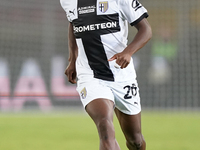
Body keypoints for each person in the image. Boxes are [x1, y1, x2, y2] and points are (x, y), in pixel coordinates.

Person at [60, 0, 152, 150]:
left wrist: (128, 52)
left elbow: (146, 30)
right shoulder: (69, 1)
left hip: (121, 74)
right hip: (90, 74)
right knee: (104, 125)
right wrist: (73, 59)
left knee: (136, 140)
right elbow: (73, 22)